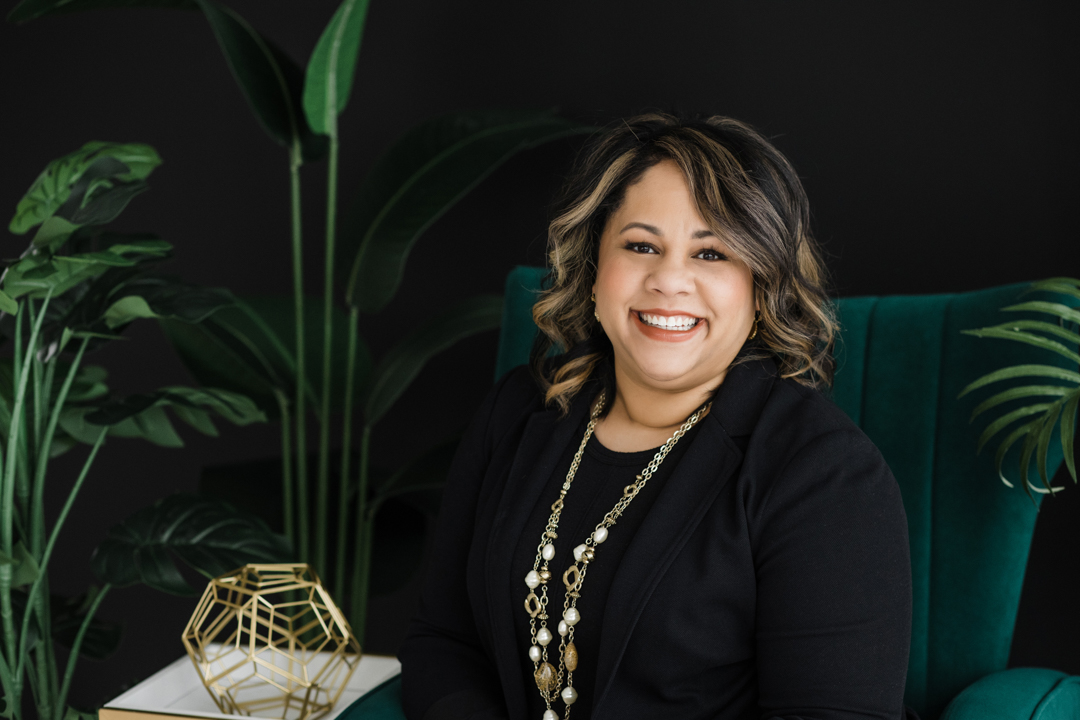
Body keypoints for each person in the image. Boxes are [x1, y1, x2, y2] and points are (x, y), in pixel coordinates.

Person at [399, 113, 913, 720]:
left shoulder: (825, 475)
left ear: (762, 287)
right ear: (594, 270)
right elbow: (443, 643)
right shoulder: (517, 412)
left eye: (712, 253)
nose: (669, 280)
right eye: (641, 245)